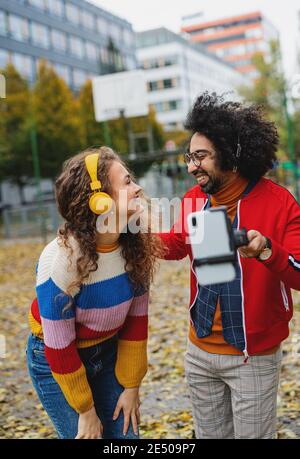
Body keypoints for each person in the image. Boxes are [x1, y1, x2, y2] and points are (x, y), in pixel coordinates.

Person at [160, 92, 300, 439]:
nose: (191, 166)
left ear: (232, 155)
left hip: (252, 358)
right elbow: (176, 244)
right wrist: (129, 236)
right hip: (199, 351)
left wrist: (268, 250)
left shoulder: (279, 203)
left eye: (201, 156)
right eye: (190, 156)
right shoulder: (194, 199)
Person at [26, 146, 164, 439]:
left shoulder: (135, 248)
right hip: (56, 359)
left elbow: (136, 326)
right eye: (127, 183)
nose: (138, 188)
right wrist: (86, 412)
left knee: (127, 438)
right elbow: (59, 348)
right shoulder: (59, 261)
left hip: (107, 348)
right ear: (100, 202)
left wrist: (131, 386)